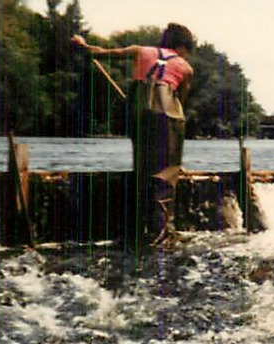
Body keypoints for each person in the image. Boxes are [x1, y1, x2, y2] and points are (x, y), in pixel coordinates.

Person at [73, 23, 196, 245]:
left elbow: (100, 53)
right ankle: (160, 233)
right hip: (168, 112)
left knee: (142, 165)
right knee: (166, 170)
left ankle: (137, 229)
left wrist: (83, 45)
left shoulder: (140, 50)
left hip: (137, 110)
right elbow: (181, 101)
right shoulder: (185, 67)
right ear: (182, 46)